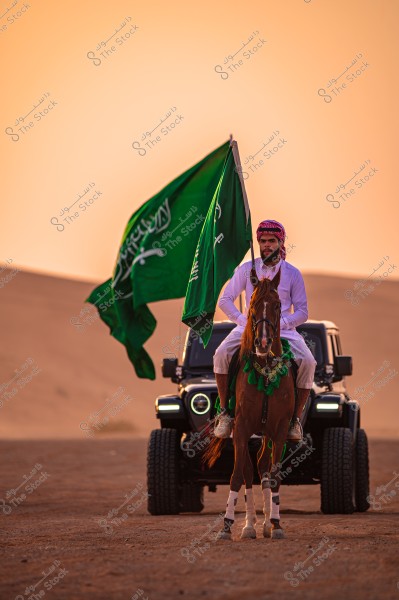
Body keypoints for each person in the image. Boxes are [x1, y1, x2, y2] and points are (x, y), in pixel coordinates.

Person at [213, 219, 317, 440]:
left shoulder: (292, 273)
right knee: (221, 354)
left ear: (281, 242)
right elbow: (225, 300)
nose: (267, 245)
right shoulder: (246, 269)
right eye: (263, 241)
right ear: (258, 243)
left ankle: (295, 420)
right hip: (249, 328)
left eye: (272, 240)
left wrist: (281, 325)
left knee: (308, 362)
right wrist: (243, 321)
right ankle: (225, 414)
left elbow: (302, 311)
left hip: (284, 330)